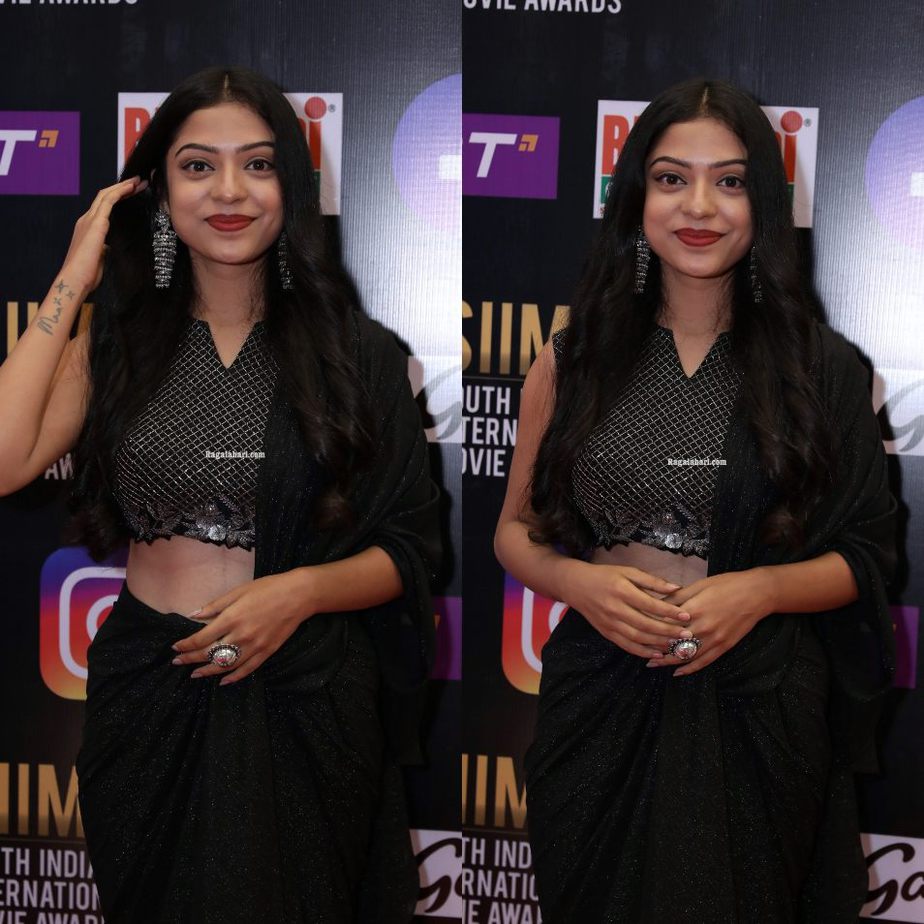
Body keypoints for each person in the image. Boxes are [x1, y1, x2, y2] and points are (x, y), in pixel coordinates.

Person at [0, 66, 441, 923]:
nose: (230, 191)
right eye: (198, 165)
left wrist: (297, 594)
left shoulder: (359, 355)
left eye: (258, 164)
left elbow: (409, 552)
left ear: (292, 188)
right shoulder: (117, 345)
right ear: (158, 190)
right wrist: (76, 275)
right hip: (150, 696)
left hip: (307, 696)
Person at [494, 78, 896, 924]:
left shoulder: (822, 369)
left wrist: (760, 591)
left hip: (759, 706)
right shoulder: (571, 361)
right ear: (636, 196)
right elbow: (514, 533)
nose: (700, 207)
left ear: (764, 204)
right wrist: (578, 584)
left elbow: (865, 555)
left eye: (731, 181)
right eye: (672, 179)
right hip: (599, 704)